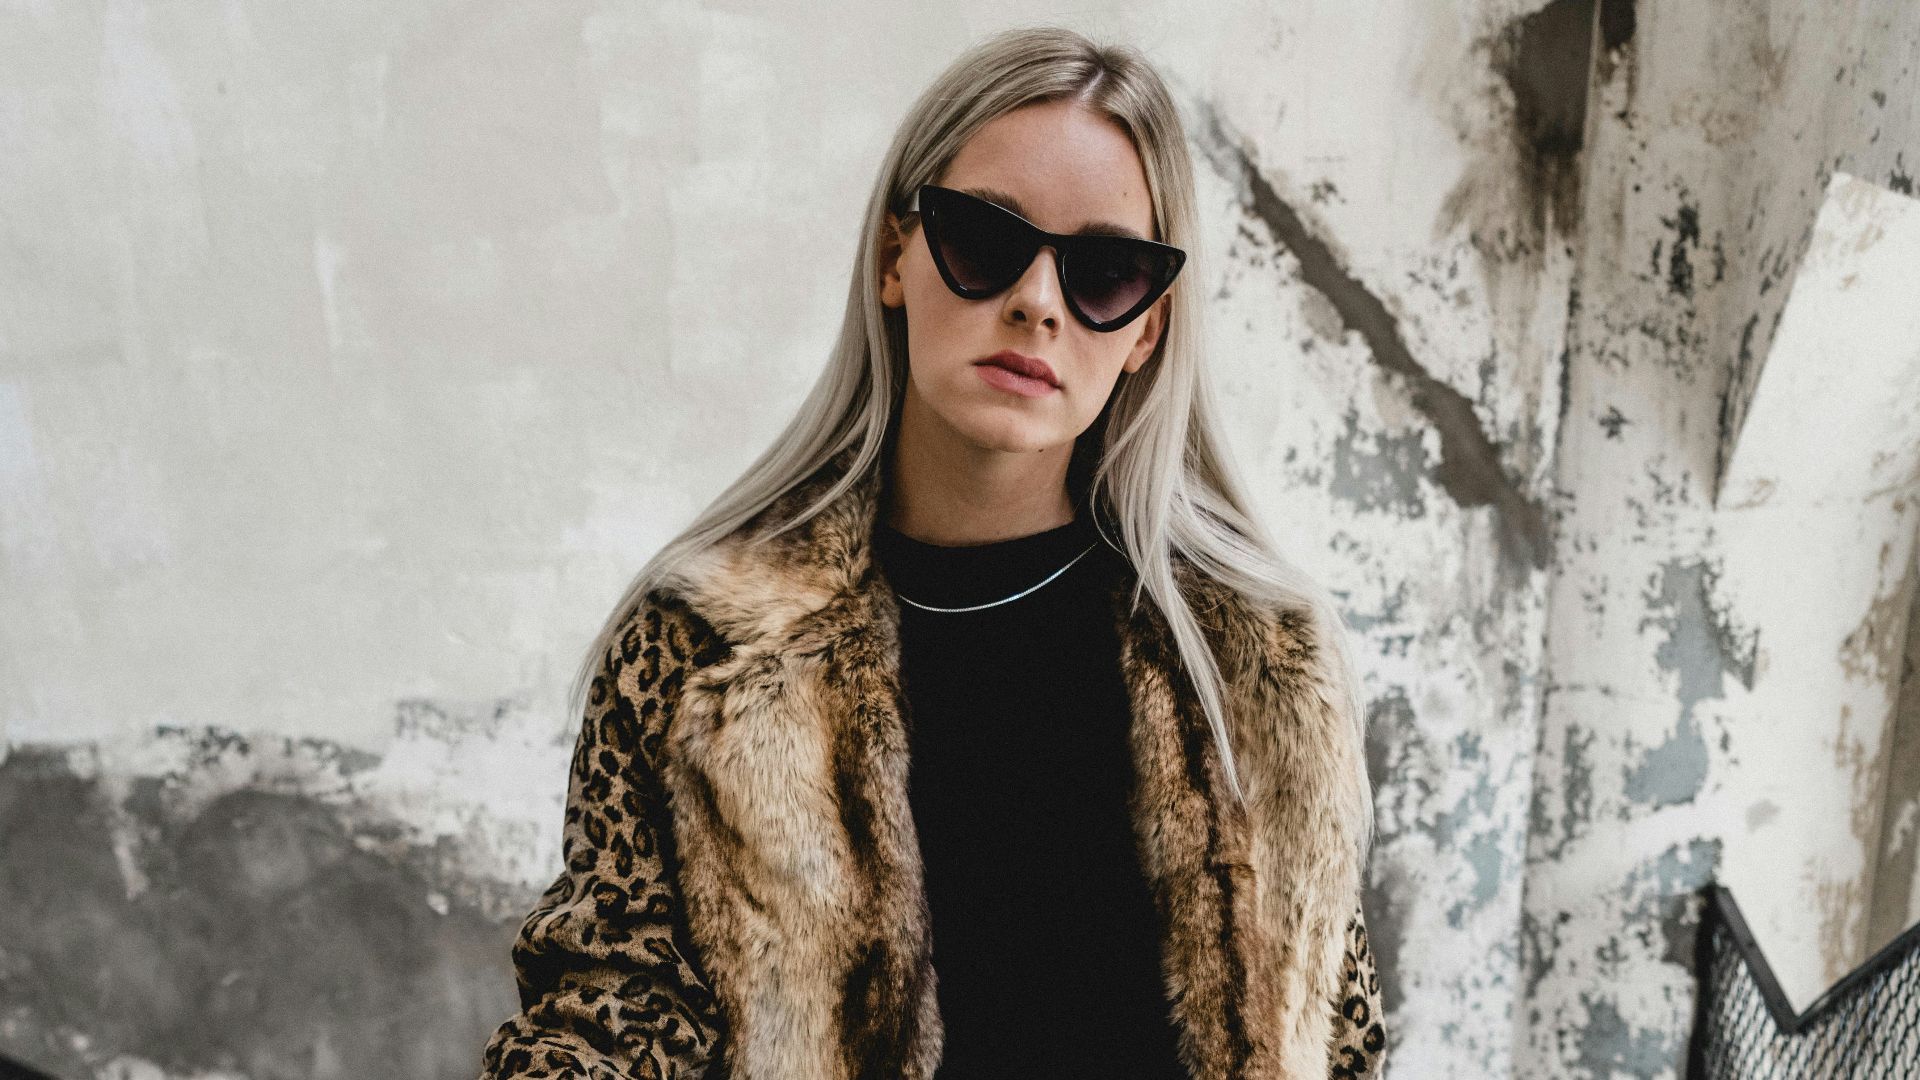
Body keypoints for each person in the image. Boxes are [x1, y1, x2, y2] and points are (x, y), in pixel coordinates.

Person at [478, 24, 1387, 1080]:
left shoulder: (1258, 662)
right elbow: (607, 1016)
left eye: (1103, 270)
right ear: (894, 257)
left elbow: (1337, 1035)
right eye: (984, 241)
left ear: (1147, 328)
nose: (1036, 303)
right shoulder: (705, 650)